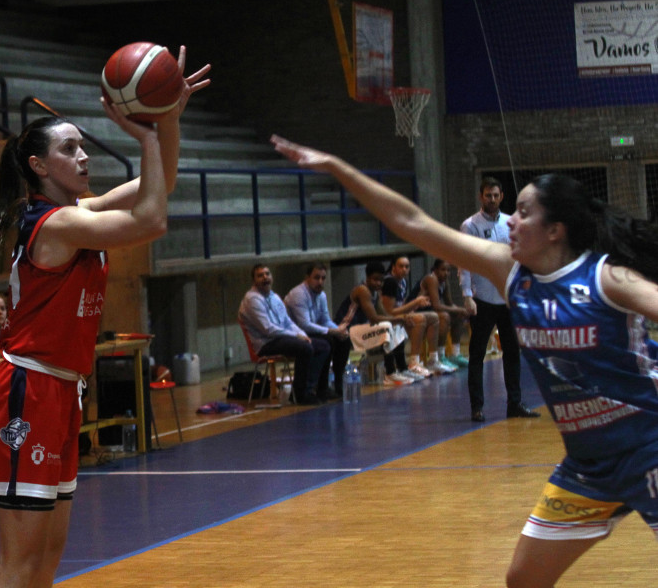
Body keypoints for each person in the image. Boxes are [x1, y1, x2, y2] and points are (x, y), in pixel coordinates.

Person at [271, 134, 658, 588]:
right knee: (523, 580)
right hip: (588, 464)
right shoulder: (509, 272)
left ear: (555, 231)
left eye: (525, 212)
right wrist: (338, 165)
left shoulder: (606, 278)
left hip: (649, 445)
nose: (511, 220)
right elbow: (412, 222)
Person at [0, 47, 209, 588]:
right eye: (69, 149)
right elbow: (152, 220)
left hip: (62, 390)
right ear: (38, 166)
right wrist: (146, 136)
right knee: (19, 560)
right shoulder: (55, 225)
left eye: (84, 146)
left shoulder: (78, 214)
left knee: (47, 558)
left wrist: (168, 120)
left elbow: (162, 185)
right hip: (27, 389)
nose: (84, 157)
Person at [460, 177, 539, 422]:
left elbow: (520, 258)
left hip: (508, 298)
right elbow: (464, 261)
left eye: (495, 195)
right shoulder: (470, 225)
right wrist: (467, 295)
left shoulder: (510, 223)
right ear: (480, 196)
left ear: (502, 196)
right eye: (487, 195)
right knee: (477, 354)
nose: (492, 199)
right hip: (482, 298)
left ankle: (514, 403)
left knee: (512, 352)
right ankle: (477, 406)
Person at [239, 263, 331, 404]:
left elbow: (288, 322)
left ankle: (318, 388)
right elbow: (268, 329)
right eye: (260, 275)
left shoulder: (274, 297)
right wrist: (296, 336)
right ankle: (300, 395)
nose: (265, 277)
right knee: (304, 348)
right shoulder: (252, 299)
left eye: (267, 274)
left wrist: (302, 334)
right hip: (266, 343)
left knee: (324, 346)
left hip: (280, 338)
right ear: (254, 281)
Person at [332, 260, 413, 388]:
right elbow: (374, 318)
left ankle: (402, 368)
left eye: (381, 280)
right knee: (386, 326)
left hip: (358, 329)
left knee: (395, 326)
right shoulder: (362, 290)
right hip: (345, 329)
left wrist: (401, 319)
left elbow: (385, 315)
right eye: (375, 280)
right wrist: (399, 319)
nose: (378, 283)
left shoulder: (375, 293)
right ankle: (389, 372)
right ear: (367, 277)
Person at [283, 262, 349, 399]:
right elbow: (305, 324)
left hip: (309, 332)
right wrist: (331, 332)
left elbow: (325, 320)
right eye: (316, 277)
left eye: (323, 278)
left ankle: (337, 383)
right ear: (307, 277)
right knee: (328, 340)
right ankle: (318, 386)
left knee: (343, 340)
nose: (320, 282)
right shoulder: (299, 294)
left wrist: (339, 330)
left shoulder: (321, 295)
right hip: (294, 334)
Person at [380, 255, 440, 377]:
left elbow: (401, 305)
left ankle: (433, 359)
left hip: (399, 316)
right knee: (420, 318)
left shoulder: (403, 282)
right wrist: (416, 302)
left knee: (434, 317)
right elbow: (390, 312)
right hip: (387, 319)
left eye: (407, 267)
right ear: (393, 267)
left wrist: (412, 308)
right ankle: (413, 363)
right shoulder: (389, 282)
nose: (404, 269)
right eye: (401, 266)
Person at [408, 258, 469, 372]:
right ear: (435, 270)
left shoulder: (444, 282)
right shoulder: (431, 279)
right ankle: (439, 357)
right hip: (414, 311)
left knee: (457, 315)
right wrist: (458, 309)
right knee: (445, 316)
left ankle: (455, 354)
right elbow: (436, 306)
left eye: (448, 270)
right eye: (443, 270)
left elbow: (449, 304)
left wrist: (462, 311)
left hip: (429, 312)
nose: (446, 273)